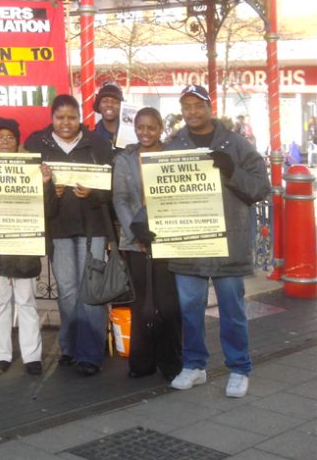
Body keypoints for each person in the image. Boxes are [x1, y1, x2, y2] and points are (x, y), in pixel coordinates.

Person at [166, 84, 270, 398]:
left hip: (228, 243)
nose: (192, 112)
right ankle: (195, 365)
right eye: (186, 106)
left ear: (210, 107)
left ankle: (239, 368)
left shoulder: (236, 144)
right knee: (190, 310)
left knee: (233, 310)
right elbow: (161, 191)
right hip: (189, 242)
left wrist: (231, 170)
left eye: (198, 105)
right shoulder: (173, 146)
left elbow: (260, 188)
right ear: (182, 110)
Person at [24, 94, 114, 376]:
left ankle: (91, 353)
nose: (66, 123)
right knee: (66, 291)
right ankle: (70, 347)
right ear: (52, 118)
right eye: (60, 117)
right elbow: (26, 185)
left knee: (91, 292)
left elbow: (111, 183)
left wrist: (94, 191)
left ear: (80, 119)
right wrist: (50, 189)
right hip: (59, 229)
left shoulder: (98, 144)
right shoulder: (37, 144)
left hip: (93, 229)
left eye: (71, 117)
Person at [0, 118, 55, 375]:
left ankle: (32, 357)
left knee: (26, 302)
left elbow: (48, 209)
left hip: (23, 246)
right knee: (0, 302)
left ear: (18, 141)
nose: (4, 140)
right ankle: (1, 355)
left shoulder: (33, 169)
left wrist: (46, 183)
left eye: (10, 136)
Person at [112, 107, 182, 380]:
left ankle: (171, 362)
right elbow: (119, 199)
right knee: (141, 303)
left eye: (151, 127)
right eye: (140, 127)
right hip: (135, 243)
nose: (145, 132)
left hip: (166, 240)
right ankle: (142, 363)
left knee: (167, 304)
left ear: (160, 128)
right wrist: (136, 233)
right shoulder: (124, 159)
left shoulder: (172, 155)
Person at [93, 81, 124, 147]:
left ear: (122, 106)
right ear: (98, 105)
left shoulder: (133, 134)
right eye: (105, 101)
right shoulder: (91, 137)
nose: (109, 104)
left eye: (115, 102)